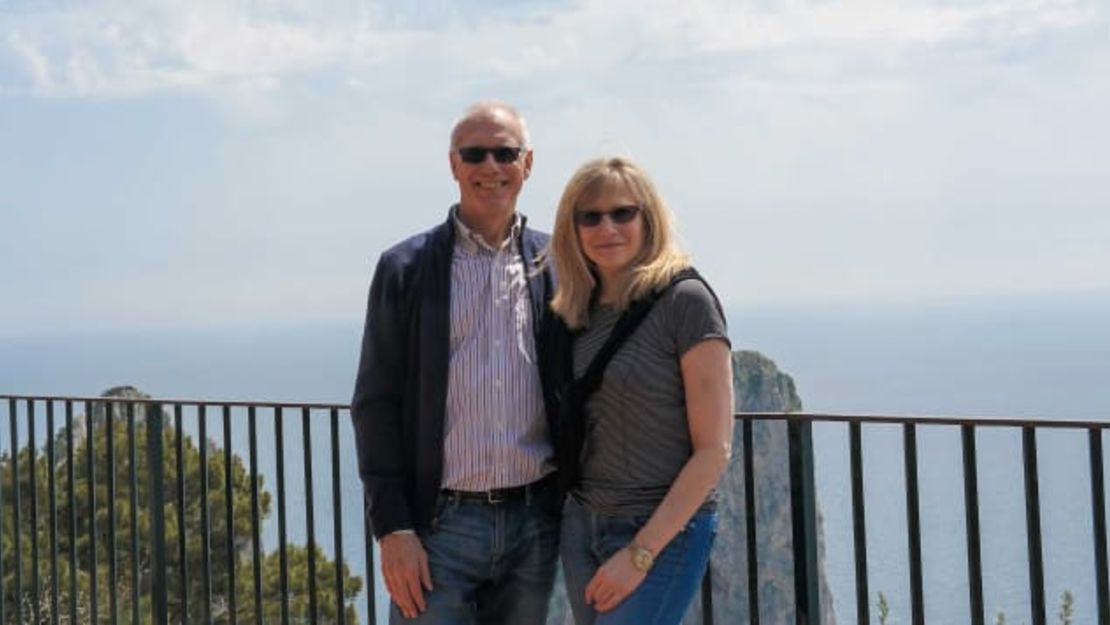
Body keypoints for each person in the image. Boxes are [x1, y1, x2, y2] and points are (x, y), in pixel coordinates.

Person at [350, 101, 564, 624]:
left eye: (505, 152)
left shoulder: (555, 262)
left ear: (528, 163)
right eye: (475, 153)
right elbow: (375, 403)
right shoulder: (406, 268)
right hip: (440, 527)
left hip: (535, 523)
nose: (491, 166)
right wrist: (392, 529)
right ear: (453, 165)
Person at [549, 156, 734, 625]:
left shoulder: (687, 303)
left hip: (660, 531)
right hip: (583, 525)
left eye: (622, 212)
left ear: (648, 218)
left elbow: (714, 450)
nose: (606, 227)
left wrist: (640, 554)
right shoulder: (577, 311)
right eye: (589, 216)